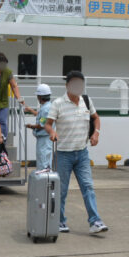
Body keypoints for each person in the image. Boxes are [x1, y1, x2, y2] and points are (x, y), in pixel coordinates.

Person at [45, 70, 108, 234]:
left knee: (88, 186)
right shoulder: (58, 103)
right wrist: (52, 133)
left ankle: (95, 221)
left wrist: (96, 133)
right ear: (67, 86)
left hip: (82, 153)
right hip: (63, 154)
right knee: (61, 190)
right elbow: (48, 124)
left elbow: (96, 118)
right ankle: (59, 221)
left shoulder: (86, 101)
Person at [25, 83, 53, 170]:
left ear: (40, 97)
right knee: (45, 159)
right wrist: (30, 110)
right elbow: (42, 118)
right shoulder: (48, 106)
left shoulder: (45, 108)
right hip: (46, 138)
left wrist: (31, 126)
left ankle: (44, 180)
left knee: (43, 160)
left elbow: (42, 125)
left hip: (44, 138)